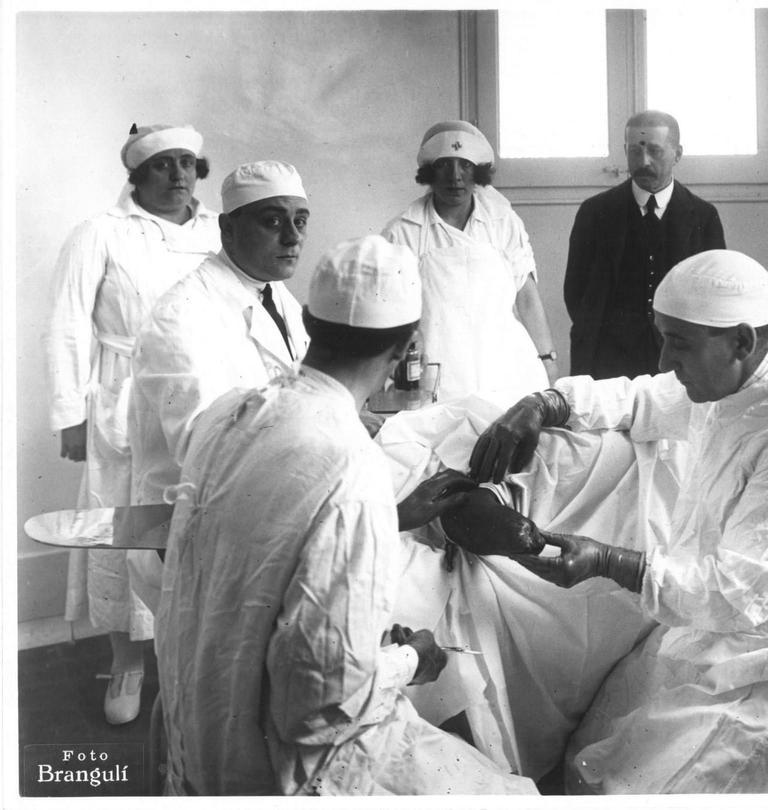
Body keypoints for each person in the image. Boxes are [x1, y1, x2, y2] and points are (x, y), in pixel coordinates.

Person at [471, 249, 768, 793]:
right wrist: (547, 403)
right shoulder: (741, 373)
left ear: (741, 340)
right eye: (663, 337)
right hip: (715, 620)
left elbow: (739, 594)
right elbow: (647, 399)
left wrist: (609, 561)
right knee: (599, 748)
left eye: (679, 343)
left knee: (645, 784)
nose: (666, 358)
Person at [155, 236, 536, 796]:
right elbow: (320, 709)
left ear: (309, 322)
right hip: (278, 775)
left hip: (193, 735)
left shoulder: (228, 413)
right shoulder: (352, 469)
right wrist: (412, 659)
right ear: (409, 347)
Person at [44, 123, 218, 725]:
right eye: (163, 164)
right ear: (137, 175)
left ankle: (192, 659)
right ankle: (127, 662)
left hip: (205, 395)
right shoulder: (100, 232)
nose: (178, 175)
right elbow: (67, 323)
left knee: (196, 523)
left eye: (187, 162)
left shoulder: (219, 230)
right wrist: (70, 415)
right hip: (126, 399)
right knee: (124, 526)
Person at [130, 160, 309, 510]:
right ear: (227, 228)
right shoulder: (180, 315)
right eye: (273, 221)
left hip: (264, 495)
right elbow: (204, 445)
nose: (293, 237)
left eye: (300, 221)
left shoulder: (274, 292)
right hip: (193, 515)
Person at [381, 120, 557, 405]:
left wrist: (548, 359)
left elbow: (526, 296)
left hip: (507, 370)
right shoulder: (403, 231)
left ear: (478, 172)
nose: (455, 176)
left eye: (465, 165)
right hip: (438, 374)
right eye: (444, 165)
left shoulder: (502, 222)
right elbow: (389, 311)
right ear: (430, 172)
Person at [564, 109, 725, 379]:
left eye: (655, 151)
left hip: (679, 359)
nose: (643, 161)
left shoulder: (703, 216)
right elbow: (576, 292)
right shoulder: (595, 213)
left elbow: (713, 297)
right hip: (607, 360)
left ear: (678, 154)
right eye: (634, 151)